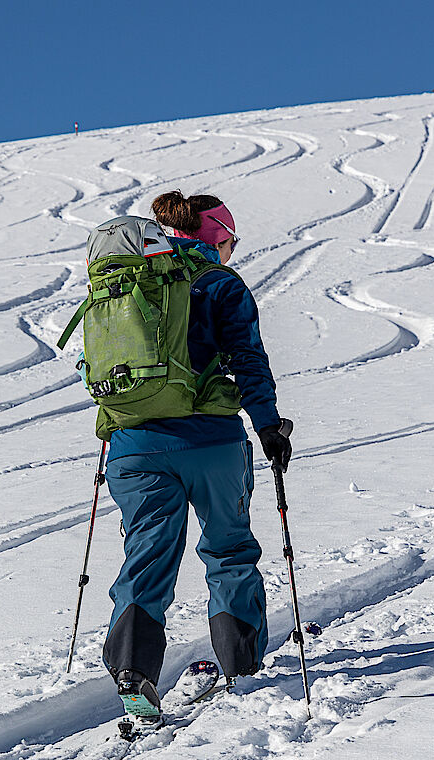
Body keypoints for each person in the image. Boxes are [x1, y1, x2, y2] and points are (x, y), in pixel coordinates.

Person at [102, 190, 292, 718]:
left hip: (135, 445)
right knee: (228, 549)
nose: (232, 251)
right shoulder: (220, 283)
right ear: (215, 238)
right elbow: (249, 360)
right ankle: (241, 665)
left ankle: (132, 671)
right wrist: (269, 426)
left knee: (147, 554)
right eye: (230, 241)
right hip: (212, 442)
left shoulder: (128, 281)